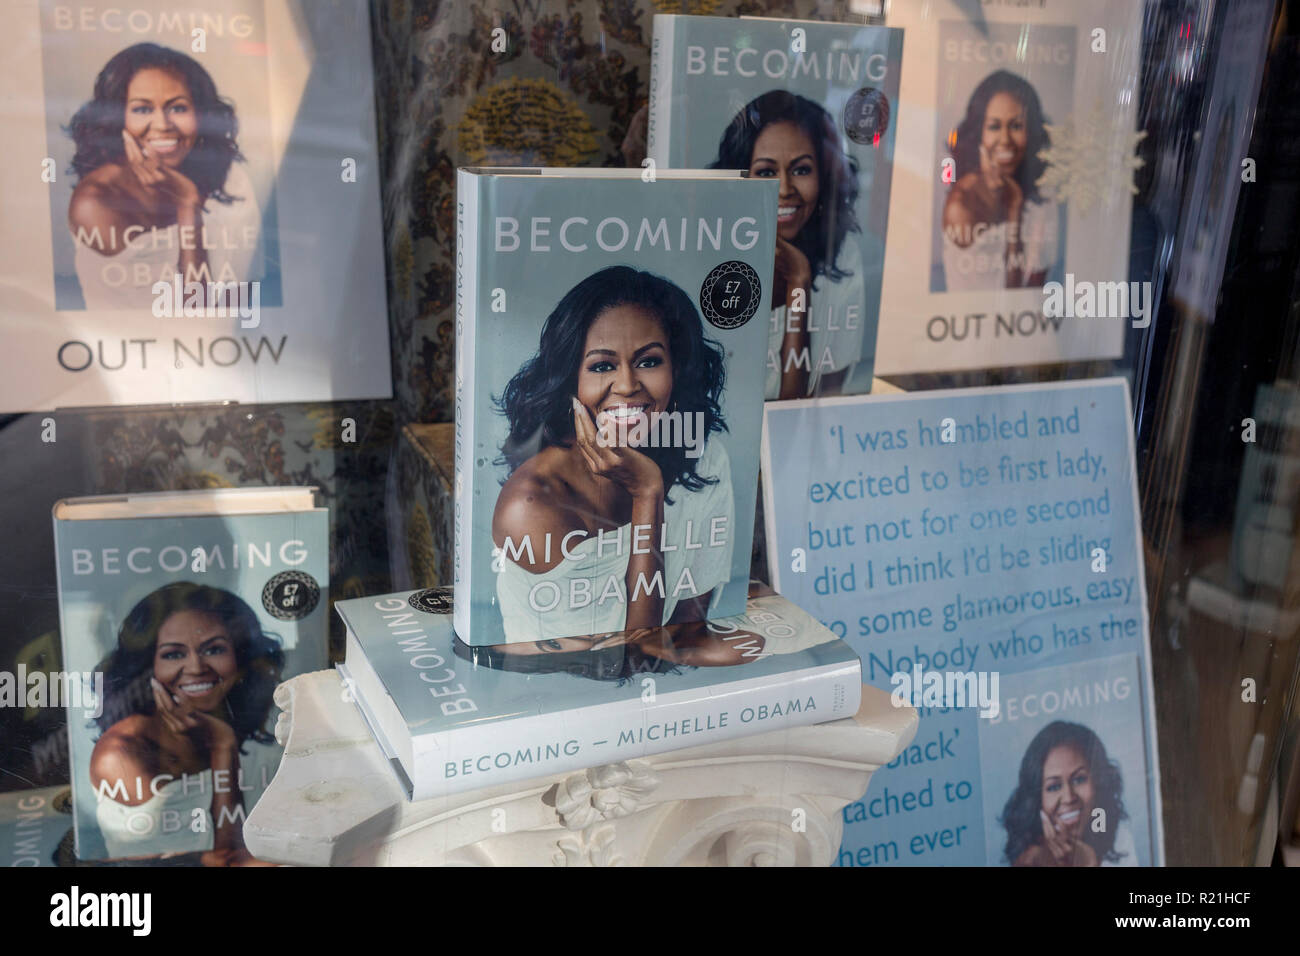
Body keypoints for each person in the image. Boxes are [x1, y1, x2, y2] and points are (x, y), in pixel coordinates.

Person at [492, 266, 734, 642]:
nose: (626, 384)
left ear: (678, 367)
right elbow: (634, 659)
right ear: (569, 378)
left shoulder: (703, 457)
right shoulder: (532, 506)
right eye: (602, 366)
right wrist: (647, 495)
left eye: (649, 361)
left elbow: (689, 629)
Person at [89, 582, 282, 866]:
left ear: (239, 657)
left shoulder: (248, 708)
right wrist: (222, 747)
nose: (195, 667)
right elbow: (226, 858)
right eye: (173, 654)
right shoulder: (123, 754)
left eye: (214, 649)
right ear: (147, 665)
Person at [65, 42, 258, 308]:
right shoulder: (97, 201)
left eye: (178, 108)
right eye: (142, 109)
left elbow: (249, 295)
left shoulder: (230, 177)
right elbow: (194, 312)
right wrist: (187, 204)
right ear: (118, 118)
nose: (162, 125)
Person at [711, 91, 865, 399]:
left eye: (801, 170)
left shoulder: (842, 254)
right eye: (766, 172)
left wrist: (799, 284)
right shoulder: (709, 249)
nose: (784, 189)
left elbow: (821, 403)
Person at [941, 70, 1058, 291]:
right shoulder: (962, 204)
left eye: (1016, 126)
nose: (1005, 140)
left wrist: (1016, 203)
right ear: (979, 134)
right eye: (994, 126)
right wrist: (1014, 210)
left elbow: (1034, 291)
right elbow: (1009, 296)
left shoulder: (1043, 196)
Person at [1001, 721, 1133, 867]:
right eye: (1053, 787)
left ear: (1098, 782)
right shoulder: (1029, 860)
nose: (1069, 798)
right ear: (1036, 800)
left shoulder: (1120, 838)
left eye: (1079, 779)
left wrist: (1088, 861)